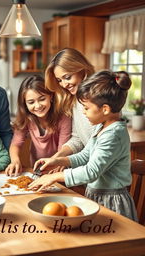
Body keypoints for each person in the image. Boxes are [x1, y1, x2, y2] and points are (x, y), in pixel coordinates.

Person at [29, 70, 138, 221]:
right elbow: (86, 155)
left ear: (105, 109)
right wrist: (57, 161)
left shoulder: (113, 135)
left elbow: (90, 172)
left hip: (113, 202)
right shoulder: (101, 127)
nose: (84, 113)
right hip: (96, 196)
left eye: (86, 108)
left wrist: (55, 177)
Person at [5, 75, 71, 176]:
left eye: (42, 99)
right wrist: (15, 160)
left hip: (59, 168)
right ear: (25, 104)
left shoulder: (64, 118)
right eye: (31, 102)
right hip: (36, 169)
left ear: (51, 96)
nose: (38, 106)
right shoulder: (26, 118)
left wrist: (55, 164)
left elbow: (62, 150)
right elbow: (16, 144)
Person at [45, 48, 95, 160]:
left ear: (82, 69)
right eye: (59, 80)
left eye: (67, 77)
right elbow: (78, 139)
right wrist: (57, 157)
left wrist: (64, 162)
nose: (64, 84)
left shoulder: (100, 99)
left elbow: (98, 148)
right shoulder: (75, 100)